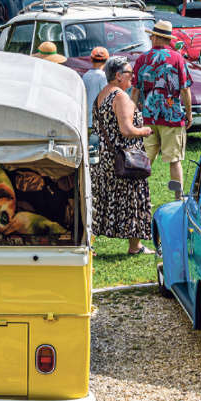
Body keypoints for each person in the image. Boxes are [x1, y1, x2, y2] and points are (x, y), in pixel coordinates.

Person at [89, 55, 154, 255]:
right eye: (129, 73)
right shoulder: (120, 97)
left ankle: (89, 245)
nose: (133, 77)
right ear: (118, 76)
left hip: (106, 157)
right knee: (134, 198)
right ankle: (135, 246)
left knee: (102, 199)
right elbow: (126, 129)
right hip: (125, 159)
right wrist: (144, 131)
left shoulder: (101, 95)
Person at [131, 20, 191, 199]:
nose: (150, 38)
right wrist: (189, 113)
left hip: (148, 116)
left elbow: (135, 90)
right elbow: (185, 89)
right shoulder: (177, 58)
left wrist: (132, 114)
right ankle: (177, 196)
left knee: (145, 161)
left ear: (156, 37)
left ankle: (138, 195)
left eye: (152, 35)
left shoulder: (143, 59)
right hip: (172, 116)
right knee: (174, 162)